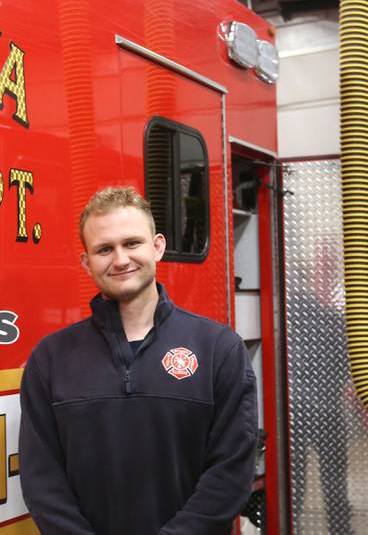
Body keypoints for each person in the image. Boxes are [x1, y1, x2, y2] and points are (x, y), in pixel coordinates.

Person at [19, 186, 257, 534]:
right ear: (87, 262)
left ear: (157, 246)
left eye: (132, 243)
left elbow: (231, 470)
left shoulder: (218, 348)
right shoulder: (50, 359)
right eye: (104, 249)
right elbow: (42, 480)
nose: (120, 259)